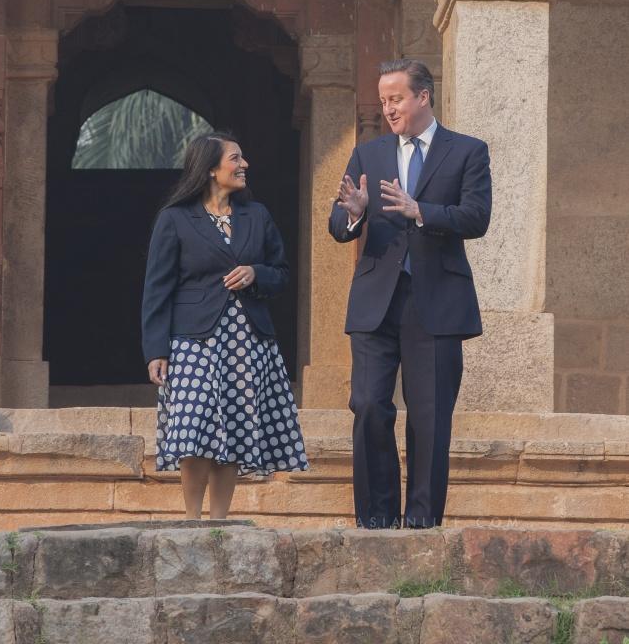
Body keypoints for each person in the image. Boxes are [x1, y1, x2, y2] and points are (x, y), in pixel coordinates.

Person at [329, 59, 492, 529]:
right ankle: (376, 520)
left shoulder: (467, 151)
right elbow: (337, 224)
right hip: (377, 301)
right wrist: (356, 214)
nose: (388, 109)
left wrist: (421, 210)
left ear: (423, 96)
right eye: (382, 101)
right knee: (368, 404)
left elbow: (476, 217)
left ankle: (421, 523)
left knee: (430, 416)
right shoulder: (368, 154)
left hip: (436, 301)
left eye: (396, 98)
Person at [142, 132, 308, 520]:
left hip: (247, 338)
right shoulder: (175, 219)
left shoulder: (257, 216)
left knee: (234, 423)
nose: (244, 164)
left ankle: (219, 521)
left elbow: (281, 274)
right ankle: (192, 519)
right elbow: (156, 288)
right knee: (195, 423)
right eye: (235, 158)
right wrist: (156, 350)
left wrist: (256, 273)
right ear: (211, 169)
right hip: (193, 339)